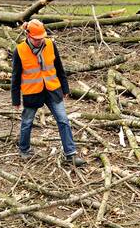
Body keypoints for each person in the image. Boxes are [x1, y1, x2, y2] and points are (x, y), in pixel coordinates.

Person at [11, 19, 86, 167]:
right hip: (32, 93)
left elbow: (59, 67)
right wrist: (15, 100)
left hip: (52, 90)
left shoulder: (51, 44)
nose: (40, 41)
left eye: (41, 38)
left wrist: (65, 89)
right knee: (27, 122)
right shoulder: (19, 50)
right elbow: (15, 76)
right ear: (28, 35)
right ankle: (24, 149)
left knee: (63, 120)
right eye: (36, 39)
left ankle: (70, 154)